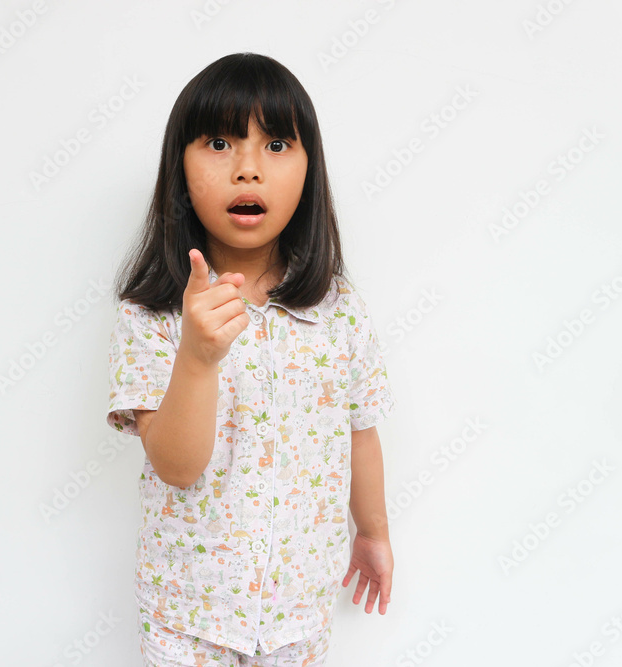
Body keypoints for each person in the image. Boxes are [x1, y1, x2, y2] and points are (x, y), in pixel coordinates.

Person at [105, 52, 397, 666]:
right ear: (180, 169)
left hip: (299, 614)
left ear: (309, 169)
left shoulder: (339, 310)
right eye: (219, 143)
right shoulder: (153, 314)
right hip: (188, 616)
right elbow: (176, 466)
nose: (247, 168)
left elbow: (360, 432)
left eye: (277, 145)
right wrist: (197, 357)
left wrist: (372, 531)